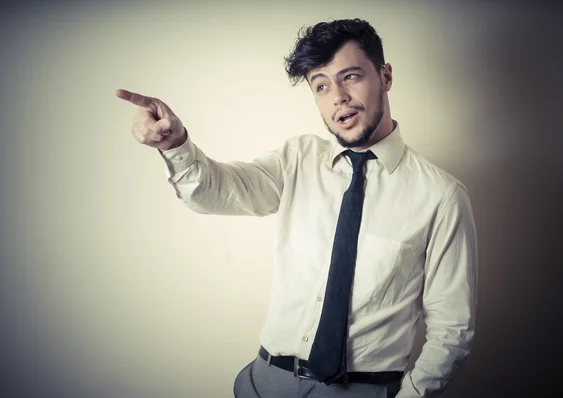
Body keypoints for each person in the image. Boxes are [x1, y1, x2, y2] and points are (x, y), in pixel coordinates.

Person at [116, 18, 477, 398]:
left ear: (385, 76)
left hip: (361, 390)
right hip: (265, 380)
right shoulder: (298, 158)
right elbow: (214, 191)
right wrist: (175, 144)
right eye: (321, 85)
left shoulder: (441, 195)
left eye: (350, 76)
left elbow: (453, 328)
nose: (336, 95)